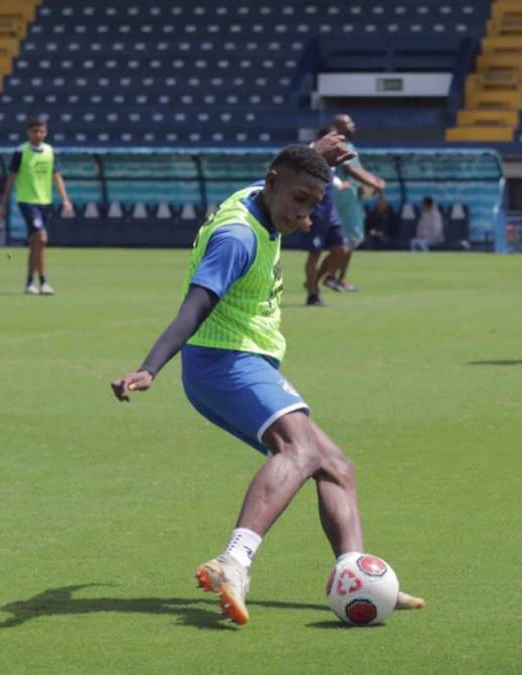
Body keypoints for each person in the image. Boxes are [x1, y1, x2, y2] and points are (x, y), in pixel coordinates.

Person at [110, 143, 424, 627]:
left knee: (337, 467)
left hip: (247, 360)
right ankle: (233, 562)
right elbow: (193, 307)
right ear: (273, 181)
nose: (304, 214)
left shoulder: (262, 193)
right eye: (300, 199)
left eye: (313, 204)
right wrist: (150, 367)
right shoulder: (237, 237)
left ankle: (356, 578)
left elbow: (289, 173)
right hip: (223, 363)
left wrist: (316, 156)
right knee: (298, 451)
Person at [0, 118, 74, 295]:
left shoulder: (49, 151)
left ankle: (29, 283)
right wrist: (4, 204)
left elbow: (57, 177)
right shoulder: (21, 152)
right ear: (28, 132)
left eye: (41, 131)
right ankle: (44, 281)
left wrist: (65, 199)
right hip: (27, 201)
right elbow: (11, 179)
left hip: (45, 202)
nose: (38, 135)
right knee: (41, 238)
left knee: (36, 244)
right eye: (35, 131)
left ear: (46, 132)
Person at [324, 114, 385, 293]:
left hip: (352, 196)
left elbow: (359, 169)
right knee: (351, 238)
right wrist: (374, 184)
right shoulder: (340, 145)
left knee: (350, 239)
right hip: (345, 197)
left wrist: (373, 180)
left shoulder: (349, 146)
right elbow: (350, 170)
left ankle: (337, 277)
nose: (353, 125)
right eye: (348, 123)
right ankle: (331, 276)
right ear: (338, 127)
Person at [302, 129, 348, 307]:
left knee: (341, 249)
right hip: (316, 211)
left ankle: (313, 281)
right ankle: (312, 294)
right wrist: (304, 213)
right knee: (315, 252)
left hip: (330, 210)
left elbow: (330, 175)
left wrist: (339, 184)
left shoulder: (330, 156)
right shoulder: (310, 154)